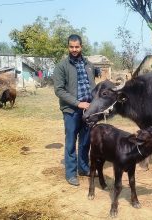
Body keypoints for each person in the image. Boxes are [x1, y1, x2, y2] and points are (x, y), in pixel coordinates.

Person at [53, 34, 96, 186]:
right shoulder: (61, 66)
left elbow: (92, 86)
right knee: (71, 142)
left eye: (77, 46)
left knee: (85, 142)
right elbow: (59, 90)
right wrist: (78, 103)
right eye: (71, 47)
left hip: (88, 111)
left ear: (81, 47)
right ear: (68, 47)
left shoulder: (89, 65)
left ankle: (84, 168)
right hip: (71, 111)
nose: (74, 49)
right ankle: (71, 173)